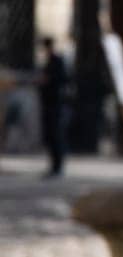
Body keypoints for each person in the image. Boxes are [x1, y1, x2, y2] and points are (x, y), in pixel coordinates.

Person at [37, 36, 72, 178]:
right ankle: (54, 166)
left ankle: (58, 166)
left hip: (56, 103)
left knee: (56, 135)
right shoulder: (50, 62)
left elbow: (63, 79)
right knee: (51, 136)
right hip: (49, 103)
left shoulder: (57, 61)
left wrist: (48, 81)